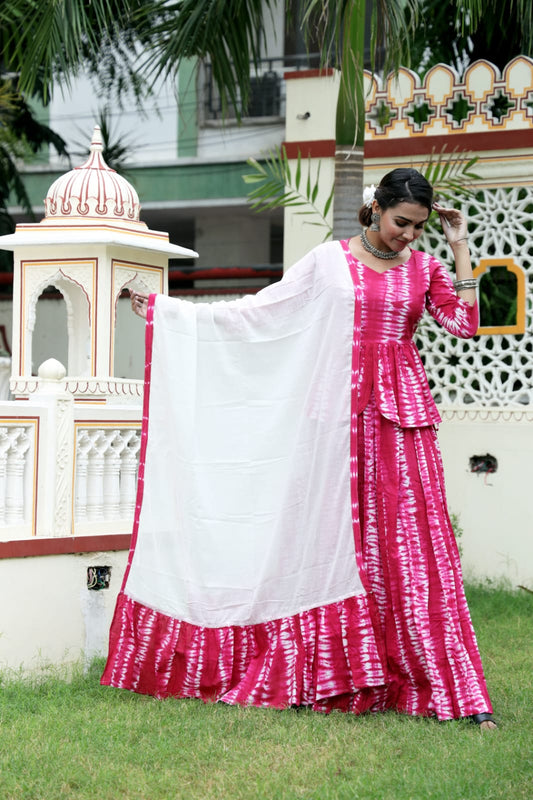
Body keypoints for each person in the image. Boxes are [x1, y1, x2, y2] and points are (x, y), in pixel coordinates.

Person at [102, 168, 496, 731]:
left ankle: (436, 680)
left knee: (408, 547)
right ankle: (326, 673)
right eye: (400, 223)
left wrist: (457, 246)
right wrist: (173, 313)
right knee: (322, 540)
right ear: (376, 209)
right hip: (331, 415)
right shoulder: (328, 263)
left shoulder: (425, 267)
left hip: (400, 419)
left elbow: (464, 325)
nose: (408, 236)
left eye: (419, 227)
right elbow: (263, 312)